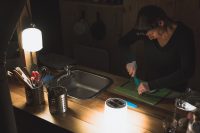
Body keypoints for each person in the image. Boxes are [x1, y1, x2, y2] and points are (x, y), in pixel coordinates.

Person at [119, 5, 195, 95]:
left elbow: (187, 71)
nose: (148, 37)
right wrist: (130, 60)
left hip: (174, 92)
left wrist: (151, 85)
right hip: (148, 89)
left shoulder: (184, 35)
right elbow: (123, 42)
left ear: (160, 23)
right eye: (145, 33)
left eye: (151, 33)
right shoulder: (144, 30)